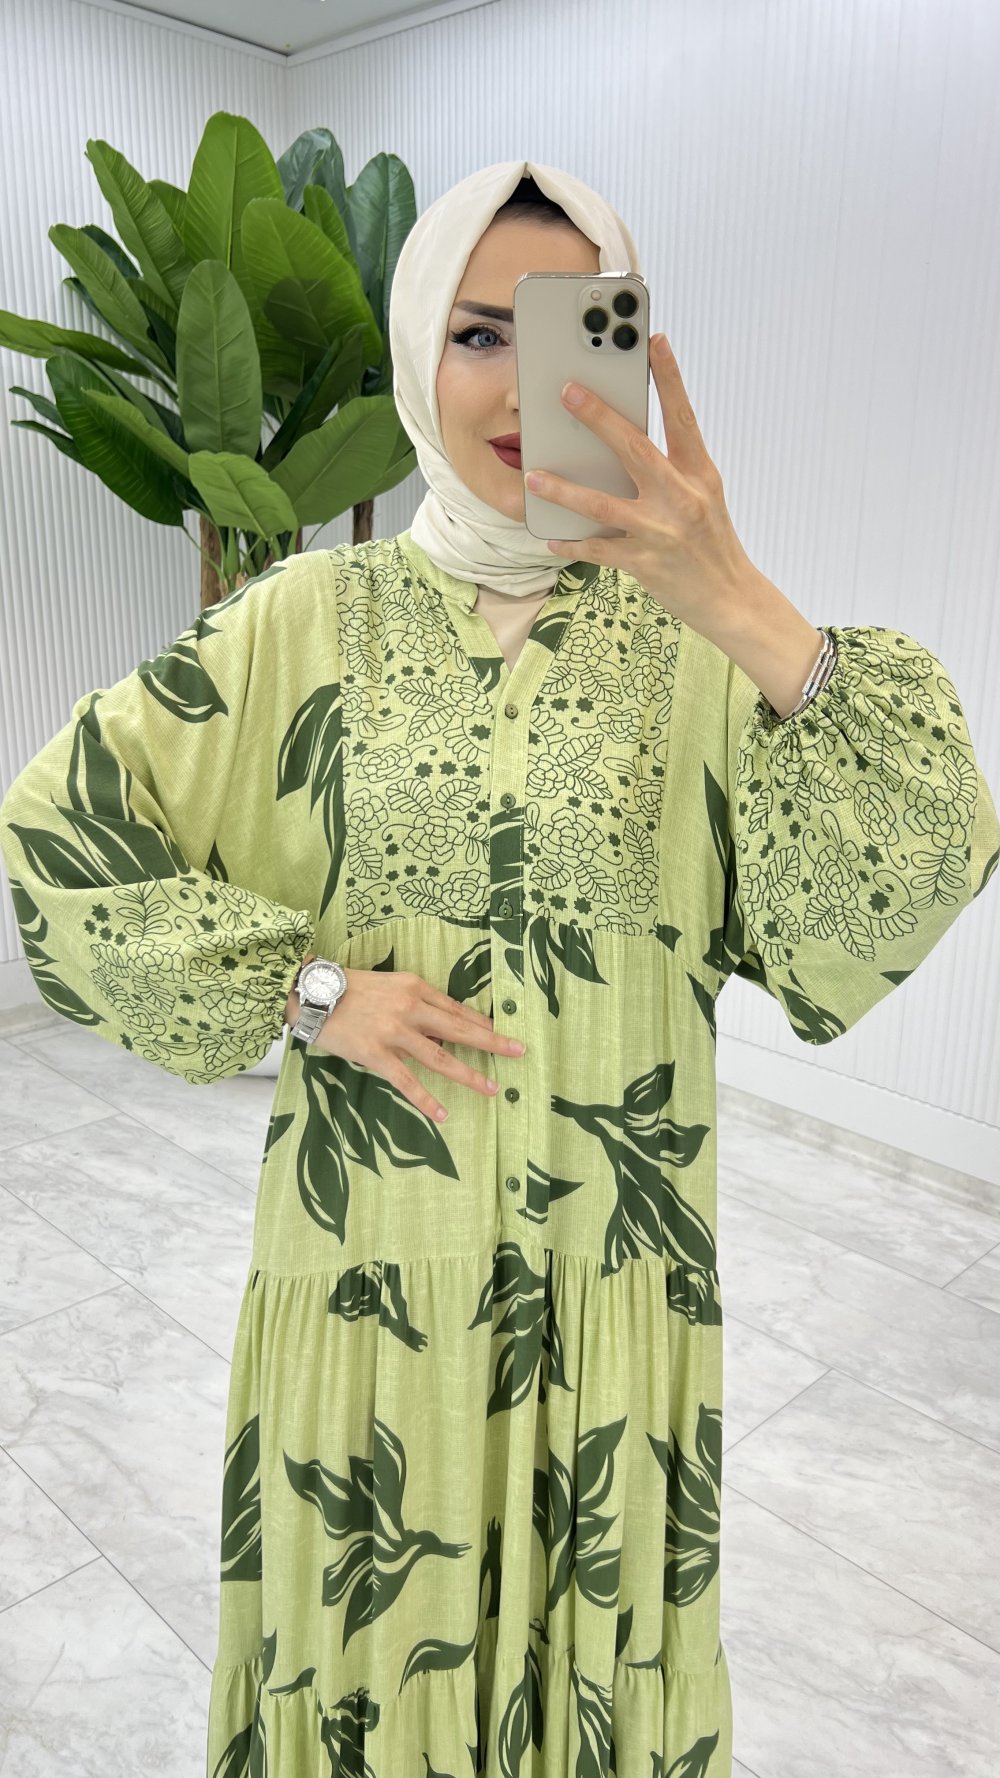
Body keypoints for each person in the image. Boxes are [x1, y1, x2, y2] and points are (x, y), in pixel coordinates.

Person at [1, 159, 997, 1778]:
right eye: (478, 333)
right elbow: (60, 831)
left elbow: (917, 856)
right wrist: (307, 996)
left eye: (567, 329)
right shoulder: (306, 619)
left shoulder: (699, 648)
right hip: (372, 1296)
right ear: (420, 351)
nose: (524, 387)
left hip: (618, 1309)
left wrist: (738, 597)